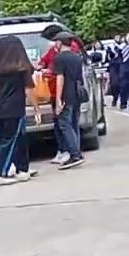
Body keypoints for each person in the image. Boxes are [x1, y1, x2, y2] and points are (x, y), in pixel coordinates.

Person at [0, 35, 44, 187]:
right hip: (15, 109)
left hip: (1, 109)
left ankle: (22, 169)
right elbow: (29, 90)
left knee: (16, 139)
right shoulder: (22, 68)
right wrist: (37, 109)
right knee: (9, 141)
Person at [49, 31, 87, 169]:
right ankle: (77, 150)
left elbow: (60, 79)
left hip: (66, 94)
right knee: (74, 123)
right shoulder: (77, 57)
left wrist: (58, 99)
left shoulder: (59, 59)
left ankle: (75, 154)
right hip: (77, 94)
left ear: (60, 43)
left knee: (64, 124)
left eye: (56, 42)